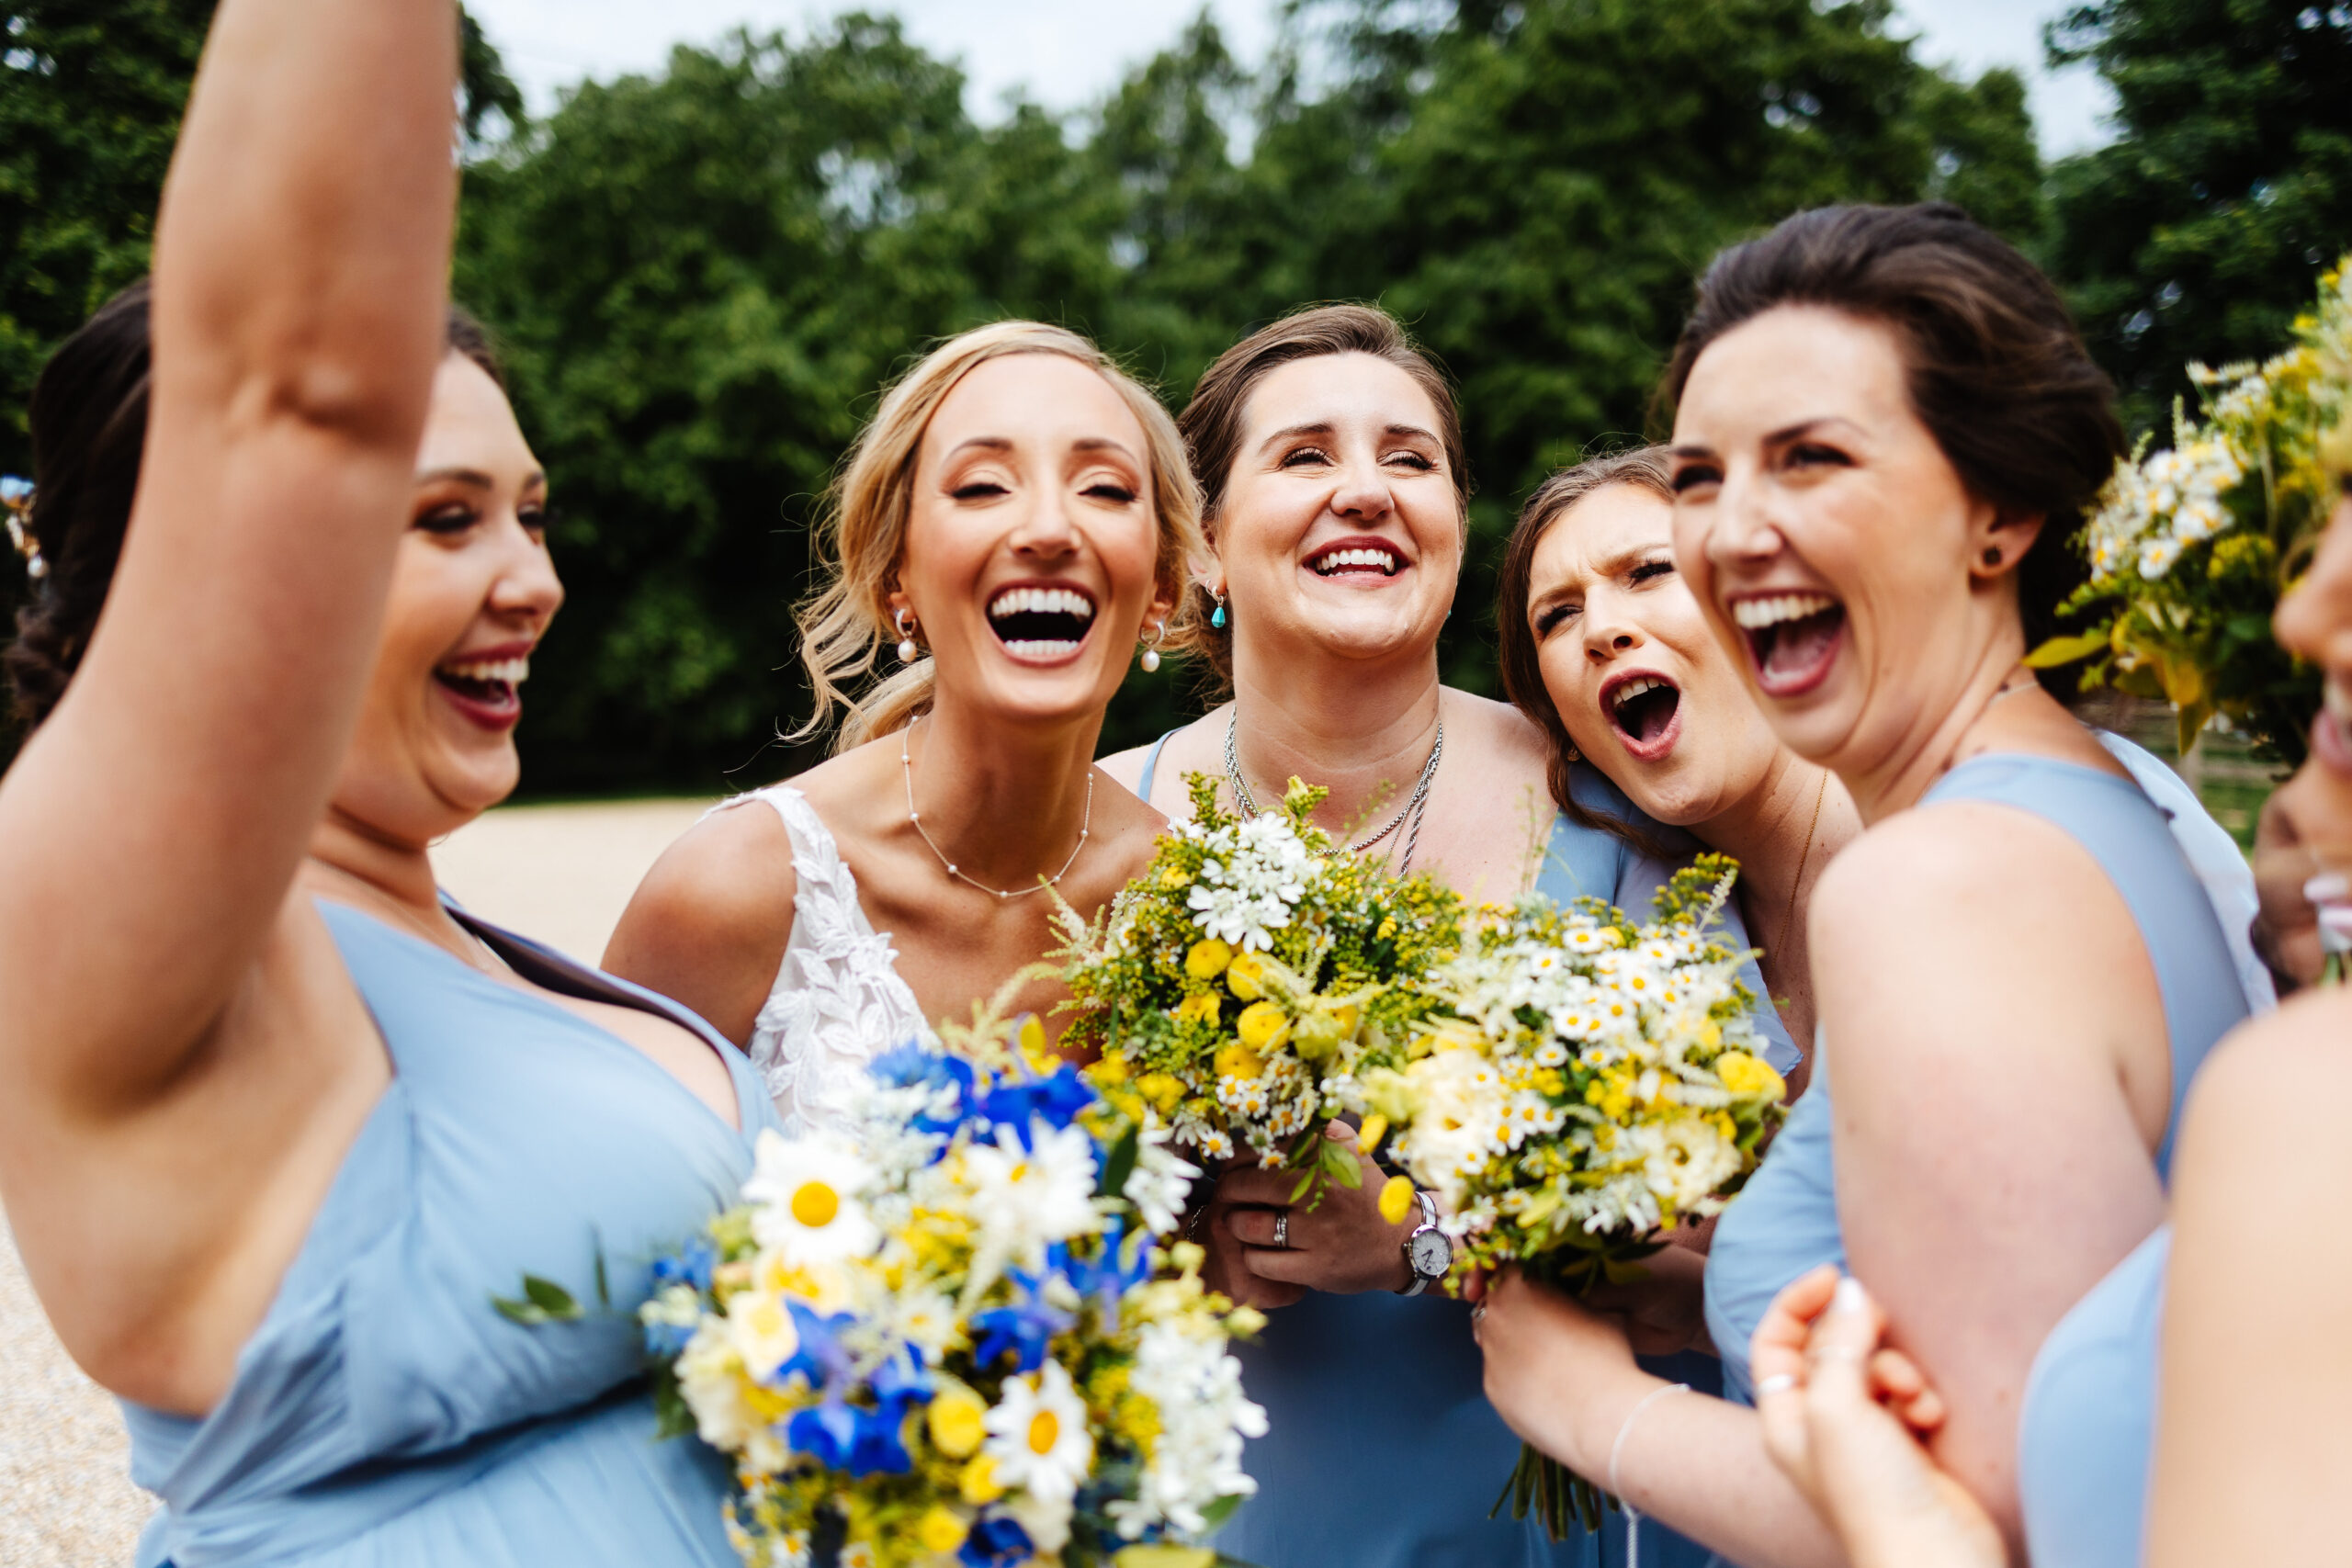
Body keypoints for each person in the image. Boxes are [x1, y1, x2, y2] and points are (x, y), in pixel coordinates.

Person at [0, 4, 781, 1562]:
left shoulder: (475, 948)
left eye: (531, 513)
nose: (533, 579)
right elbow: (302, 386)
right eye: (439, 519)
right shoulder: (143, 950)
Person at [1100, 306, 1758, 1568]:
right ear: (1208, 550)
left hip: (1597, 1520)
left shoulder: (1621, 799)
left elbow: (1769, 1225)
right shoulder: (1096, 832)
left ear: (1458, 526)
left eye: (1410, 459)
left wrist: (1423, 1233)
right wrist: (1185, 1245)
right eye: (1304, 457)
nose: (1366, 491)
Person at [1744, 426, 2352, 1568]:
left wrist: (1589, 1409)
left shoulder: (1934, 882)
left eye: (1815, 458)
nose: (2303, 610)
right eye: (1698, 476)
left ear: (1998, 524)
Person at [604, 322, 1204, 1135]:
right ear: (896, 575)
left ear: (1163, 583)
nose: (1051, 530)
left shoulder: (1199, 913)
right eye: (984, 487)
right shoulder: (733, 892)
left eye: (1103, 488)